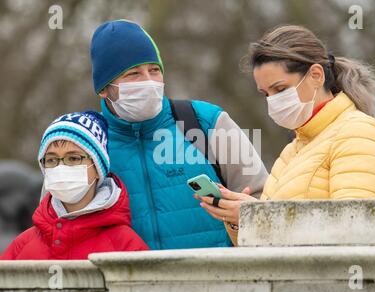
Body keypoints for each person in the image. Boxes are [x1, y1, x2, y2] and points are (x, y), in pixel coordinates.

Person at [89, 20, 268, 249]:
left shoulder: (206, 121)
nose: (149, 82)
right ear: (104, 88)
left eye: (154, 70)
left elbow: (264, 203)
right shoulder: (87, 141)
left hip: (216, 281)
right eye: (133, 74)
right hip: (125, 283)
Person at [197, 25, 375, 232]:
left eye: (280, 89)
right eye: (266, 94)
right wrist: (242, 220)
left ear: (316, 75)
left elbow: (352, 226)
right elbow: (269, 244)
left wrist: (260, 216)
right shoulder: (292, 150)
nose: (272, 101)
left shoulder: (358, 131)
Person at [1, 111, 148, 260]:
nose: (61, 167)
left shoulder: (126, 246)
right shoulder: (21, 247)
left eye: (73, 158)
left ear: (98, 168)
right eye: (51, 160)